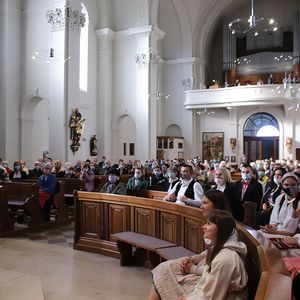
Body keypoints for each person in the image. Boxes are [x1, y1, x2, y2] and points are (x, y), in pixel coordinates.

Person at [149, 210, 248, 300]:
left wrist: (189, 298)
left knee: (165, 278)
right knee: (164, 272)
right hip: (209, 292)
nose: (203, 227)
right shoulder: (220, 247)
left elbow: (212, 296)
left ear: (221, 229)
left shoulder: (225, 259)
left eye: (209, 224)